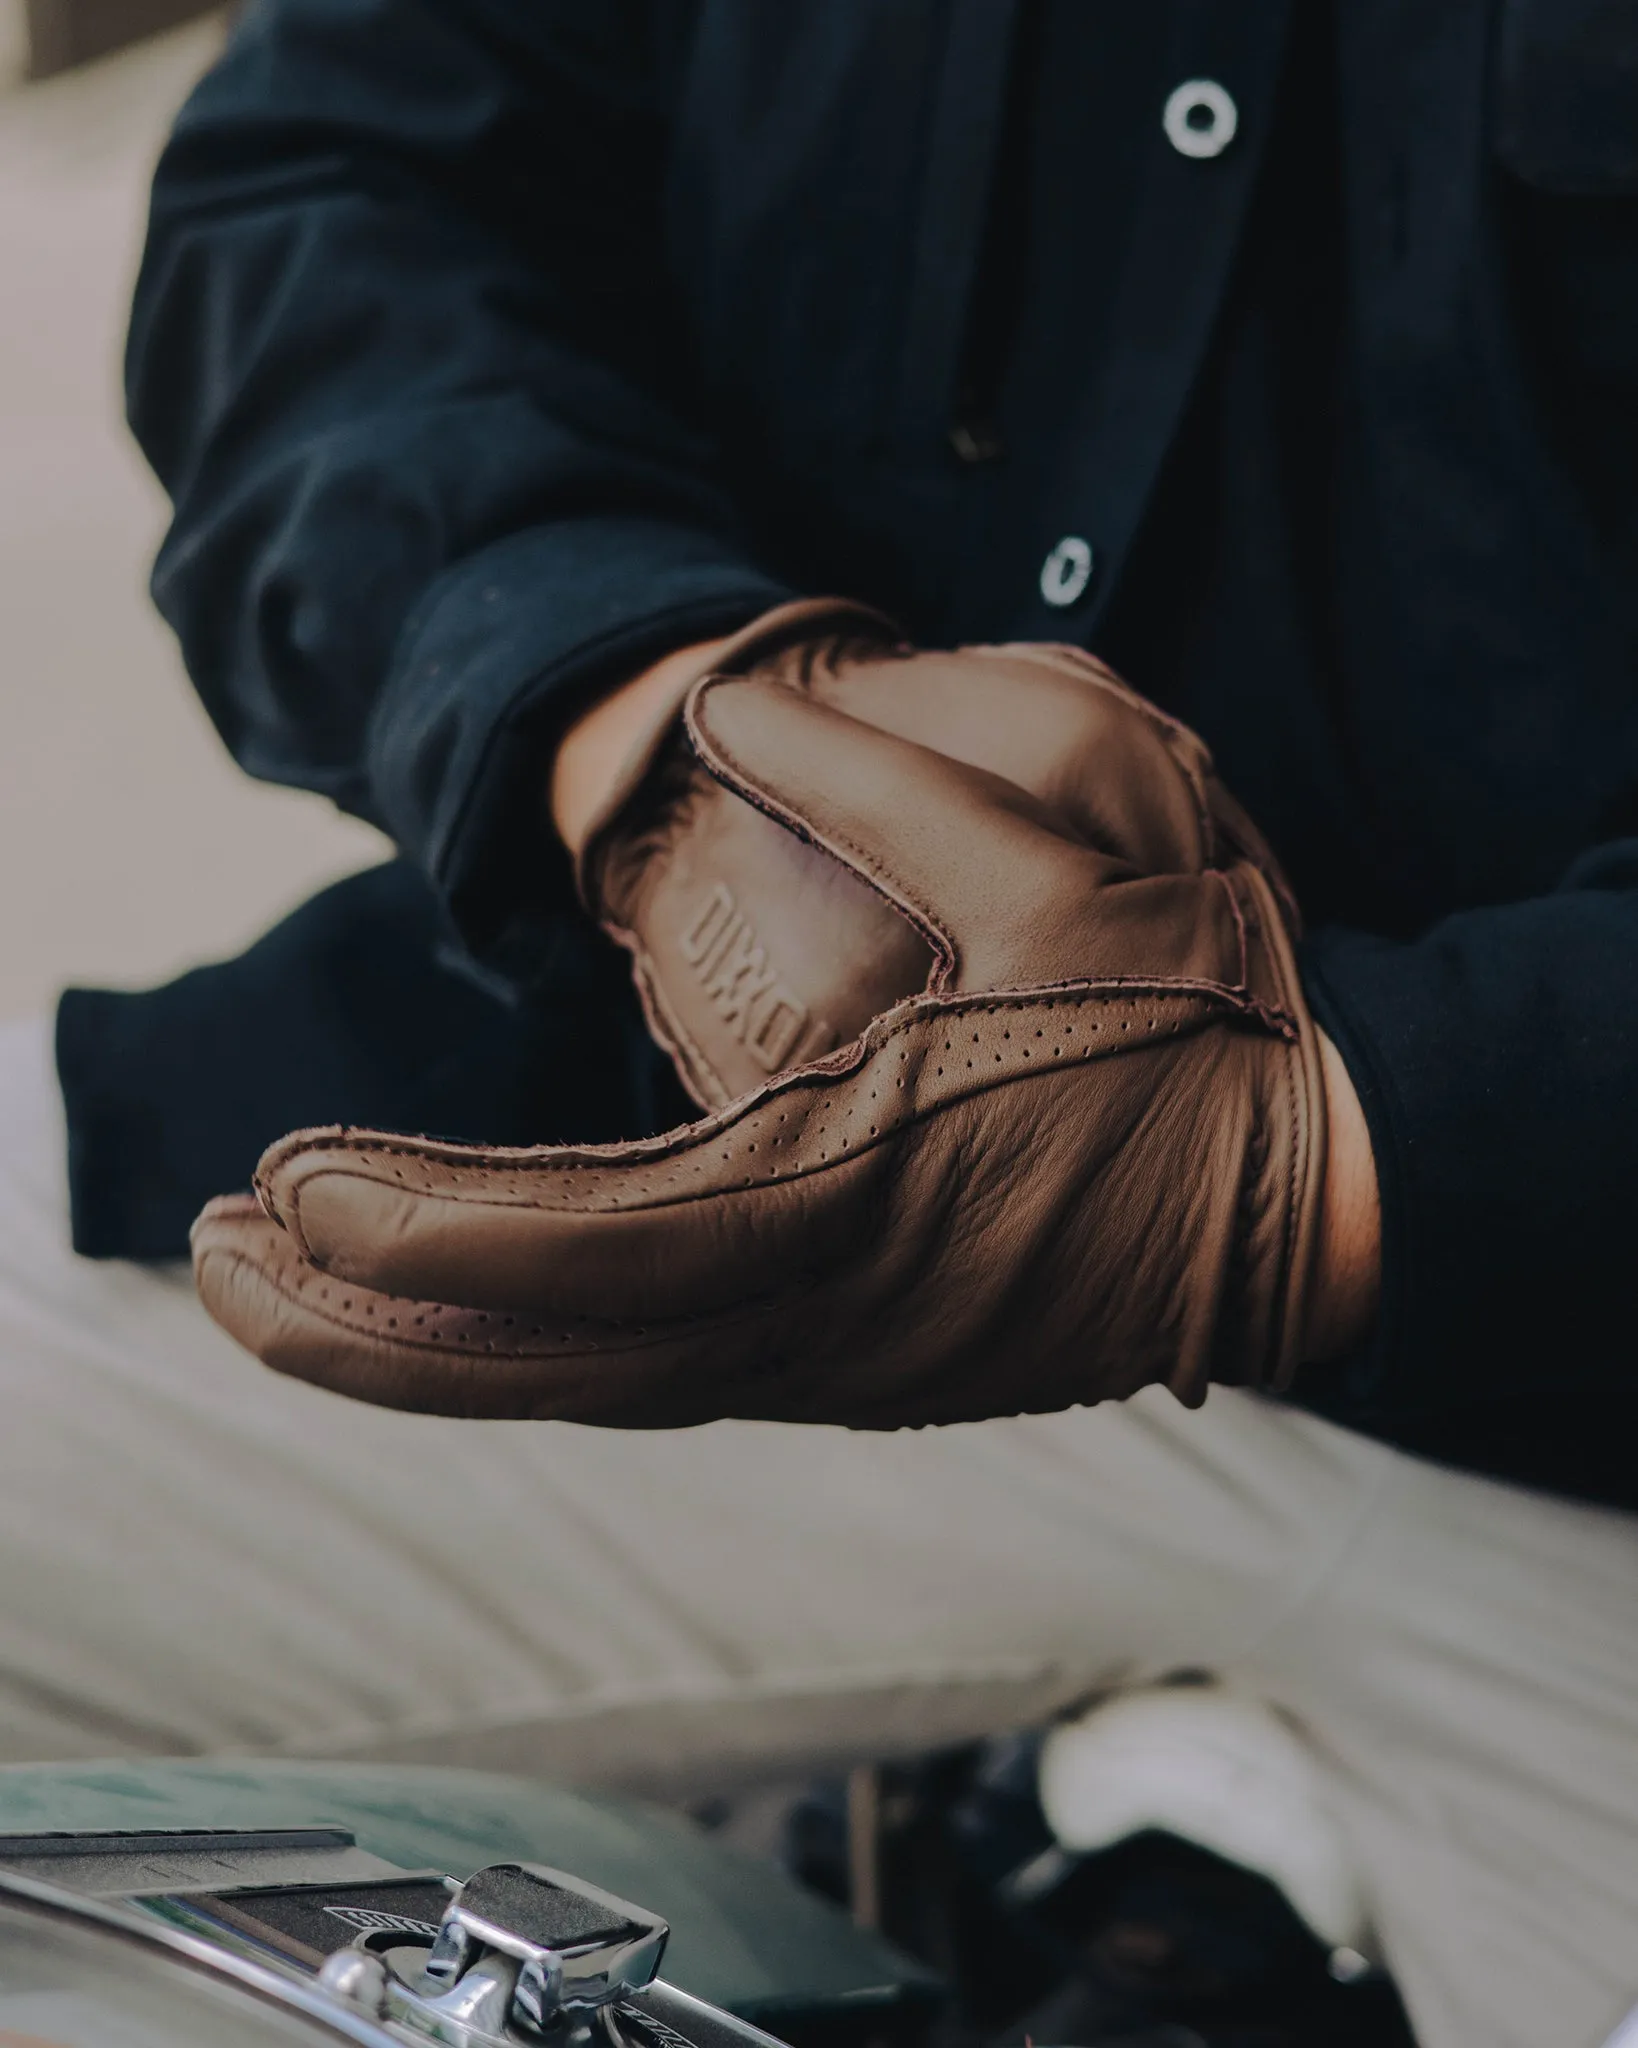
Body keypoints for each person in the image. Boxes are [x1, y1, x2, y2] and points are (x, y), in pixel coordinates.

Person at [4, 1, 1636, 2040]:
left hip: (1576, 1446)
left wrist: (1322, 1165)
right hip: (660, 1149)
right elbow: (339, 161)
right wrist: (654, 734)